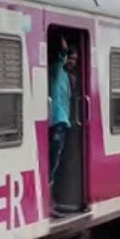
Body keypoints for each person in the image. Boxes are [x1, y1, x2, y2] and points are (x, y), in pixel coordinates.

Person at [49, 41, 77, 190]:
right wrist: (64, 47)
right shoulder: (58, 68)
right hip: (56, 121)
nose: (72, 62)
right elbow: (62, 54)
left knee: (57, 158)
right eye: (70, 58)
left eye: (75, 60)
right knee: (53, 157)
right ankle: (49, 188)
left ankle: (50, 188)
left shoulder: (67, 77)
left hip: (63, 122)